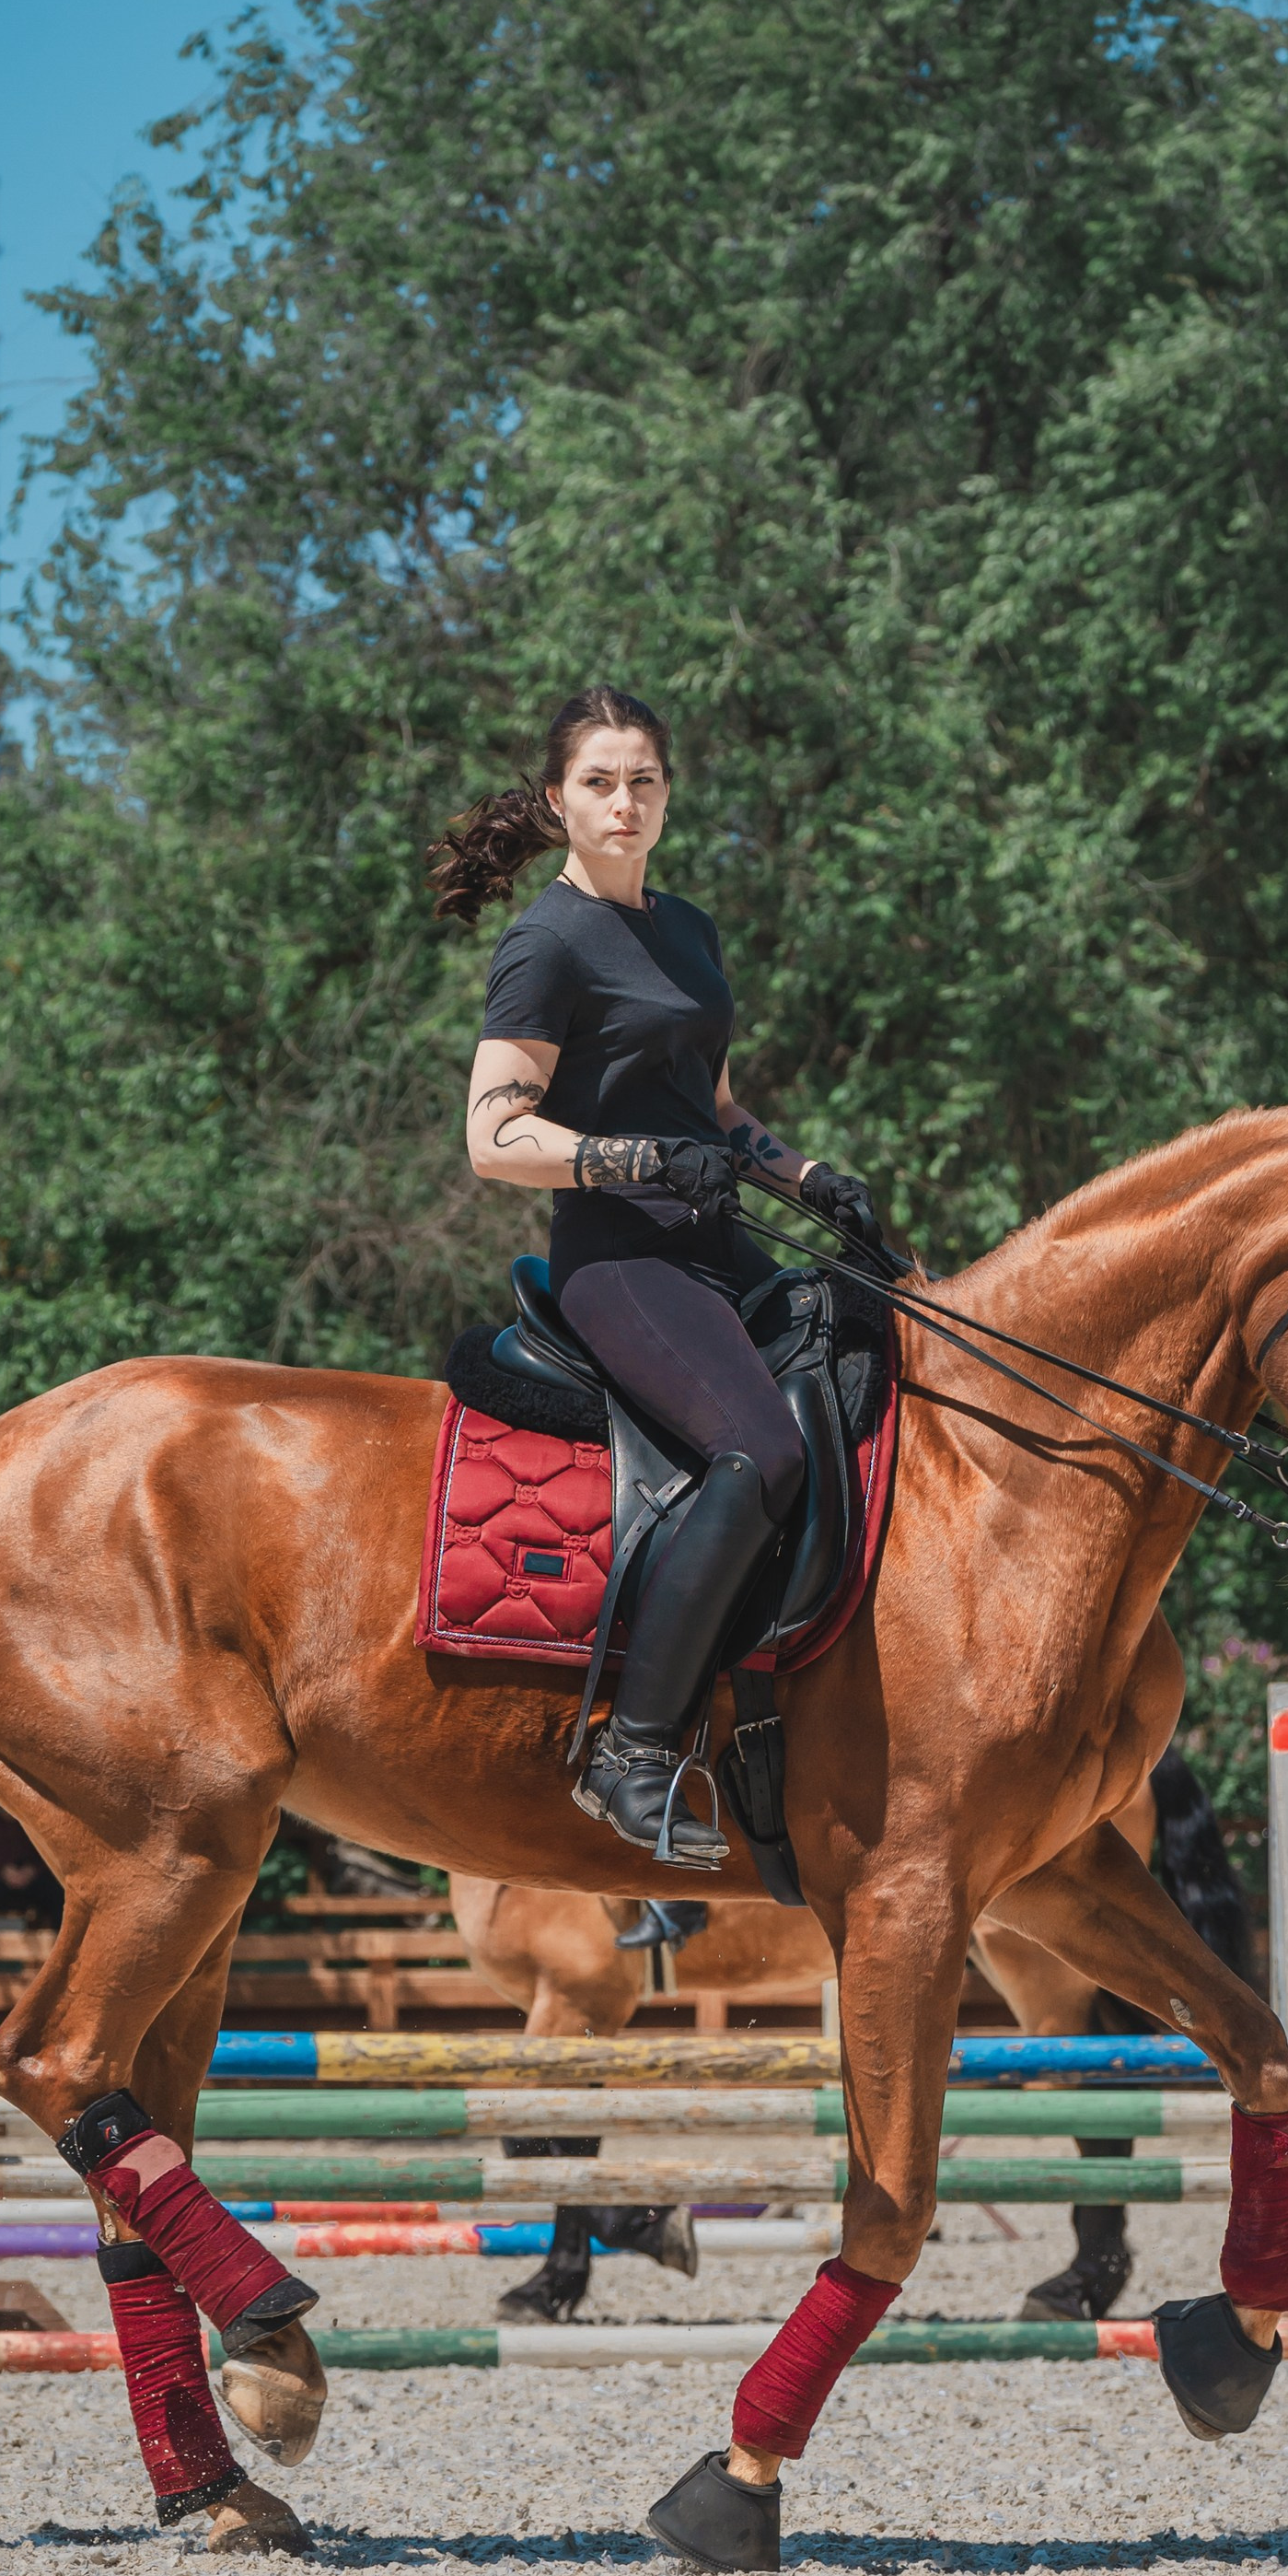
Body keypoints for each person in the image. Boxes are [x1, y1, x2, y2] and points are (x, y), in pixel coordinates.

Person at [433, 683, 889, 1869]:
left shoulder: (689, 931)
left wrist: (812, 1178)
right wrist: (629, 1156)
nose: (622, 801)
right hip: (620, 1259)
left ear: (668, 797)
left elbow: (717, 1113)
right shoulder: (546, 940)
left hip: (716, 1237)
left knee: (877, 1354)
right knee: (765, 1453)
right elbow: (491, 1136)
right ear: (558, 802)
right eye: (598, 782)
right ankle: (634, 1750)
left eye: (642, 780)